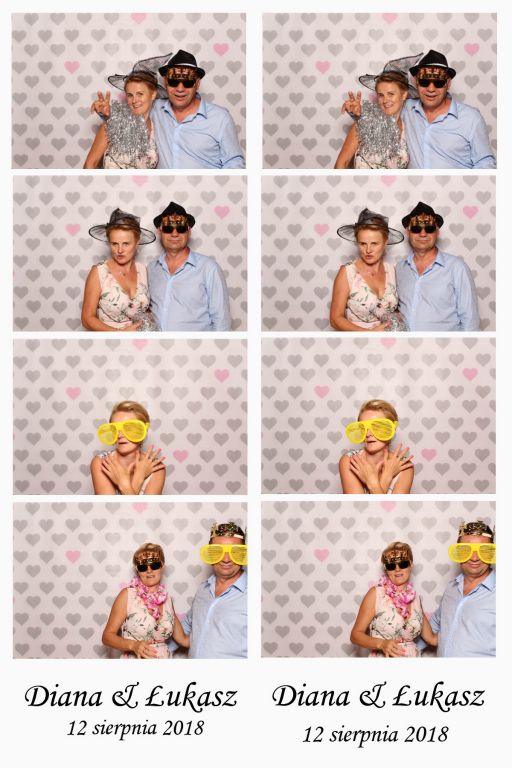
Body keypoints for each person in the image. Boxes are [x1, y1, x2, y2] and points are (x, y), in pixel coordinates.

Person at [341, 50, 496, 169]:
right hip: (414, 189)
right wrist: (358, 113)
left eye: (438, 83)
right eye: (424, 82)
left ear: (448, 84)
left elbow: (485, 163)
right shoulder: (406, 108)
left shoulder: (471, 117)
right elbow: (383, 113)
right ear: (416, 83)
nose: (431, 89)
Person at [91, 50, 245, 169]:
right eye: (173, 81)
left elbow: (234, 162)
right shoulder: (155, 108)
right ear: (165, 83)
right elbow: (130, 115)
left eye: (187, 83)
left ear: (197, 84)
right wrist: (106, 113)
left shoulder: (220, 117)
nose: (180, 89)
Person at [396, 201, 480, 331]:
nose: (423, 234)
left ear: (437, 232)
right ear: (408, 232)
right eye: (416, 229)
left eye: (429, 228)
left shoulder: (457, 268)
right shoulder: (400, 268)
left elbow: (470, 320)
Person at [148, 201, 231, 331]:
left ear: (189, 231)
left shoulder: (209, 268)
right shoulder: (151, 269)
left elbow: (222, 321)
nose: (174, 234)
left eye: (180, 228)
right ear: (160, 231)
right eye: (168, 228)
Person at [170, 521, 247, 658]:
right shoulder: (203, 589)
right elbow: (186, 630)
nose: (226, 559)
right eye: (217, 551)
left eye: (235, 552)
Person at [102, 543, 189, 658]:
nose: (149, 570)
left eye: (154, 564)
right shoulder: (127, 595)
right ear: (138, 570)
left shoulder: (167, 599)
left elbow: (183, 640)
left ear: (162, 566)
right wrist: (133, 645)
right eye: (143, 566)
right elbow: (107, 637)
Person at [334, 55, 422, 169]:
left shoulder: (408, 128)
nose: (385, 100)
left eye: (391, 94)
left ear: (404, 94)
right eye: (381, 95)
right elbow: (341, 164)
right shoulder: (364, 122)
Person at [351, 541, 438, 657]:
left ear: (410, 564)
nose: (397, 569)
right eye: (391, 565)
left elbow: (432, 639)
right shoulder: (376, 594)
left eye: (402, 563)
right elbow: (355, 635)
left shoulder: (416, 598)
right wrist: (382, 644)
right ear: (386, 569)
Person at [82, 208, 159, 332]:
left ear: (137, 242)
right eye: (114, 244)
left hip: (141, 340)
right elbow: (87, 319)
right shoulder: (99, 272)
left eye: (126, 243)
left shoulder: (142, 269)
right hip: (110, 342)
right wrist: (121, 333)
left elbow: (144, 309)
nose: (119, 250)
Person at [330, 208, 407, 331]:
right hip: (358, 341)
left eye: (374, 243)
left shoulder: (392, 270)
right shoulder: (347, 272)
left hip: (390, 340)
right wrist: (369, 334)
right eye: (363, 243)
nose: (368, 250)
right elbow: (335, 319)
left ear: (385, 242)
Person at [428, 521, 496, 657]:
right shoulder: (451, 588)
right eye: (466, 550)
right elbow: (433, 627)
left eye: (483, 550)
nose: (474, 558)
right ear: (458, 553)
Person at [84, 56, 164, 169]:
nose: (134, 100)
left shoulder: (156, 128)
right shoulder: (113, 123)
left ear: (153, 94)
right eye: (130, 95)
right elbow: (89, 165)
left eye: (140, 94)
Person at [91, 400, 166, 495]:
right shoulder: (101, 463)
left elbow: (146, 506)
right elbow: (110, 505)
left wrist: (124, 484)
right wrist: (138, 478)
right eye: (115, 429)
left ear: (143, 431)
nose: (120, 435)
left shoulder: (156, 468)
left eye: (129, 429)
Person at [339, 399, 414, 494]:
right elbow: (359, 504)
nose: (368, 434)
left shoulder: (404, 466)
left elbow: (394, 505)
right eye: (363, 428)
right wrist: (386, 477)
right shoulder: (350, 462)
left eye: (377, 427)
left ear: (391, 429)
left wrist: (372, 482)